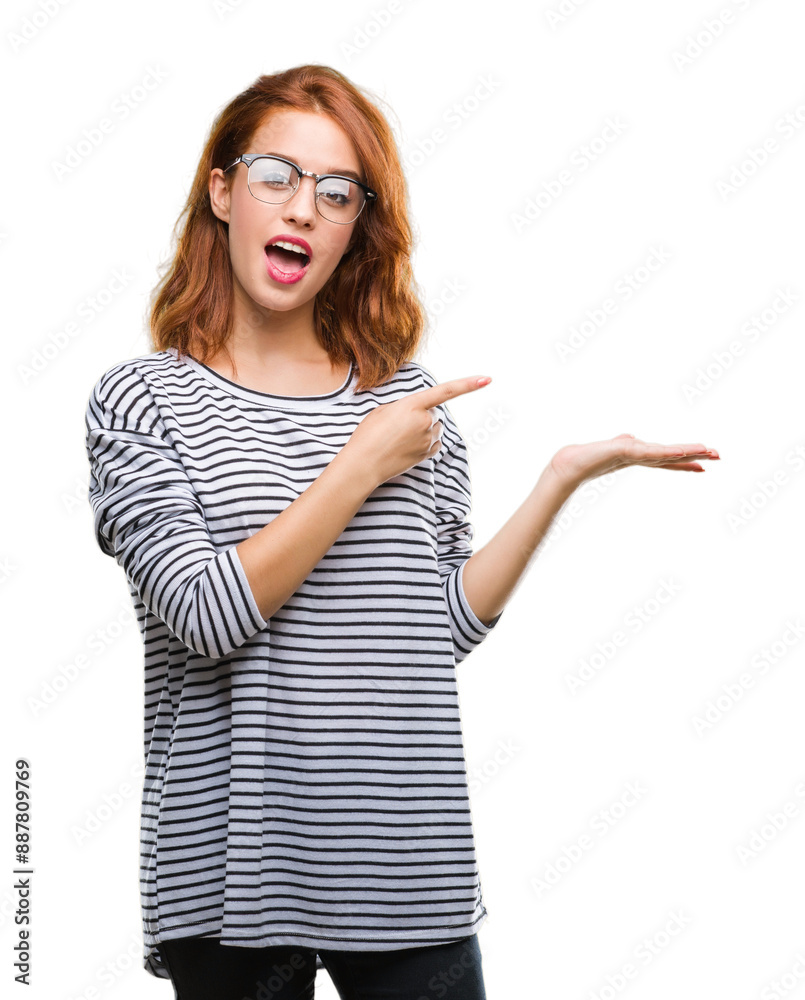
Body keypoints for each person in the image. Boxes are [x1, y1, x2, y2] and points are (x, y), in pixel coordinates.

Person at [83, 64, 719, 1000]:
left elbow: (432, 631)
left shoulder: (408, 409)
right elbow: (203, 616)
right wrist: (357, 466)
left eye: (335, 192)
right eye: (276, 176)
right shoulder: (143, 399)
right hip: (233, 885)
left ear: (354, 229)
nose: (302, 207)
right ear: (221, 192)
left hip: (407, 870)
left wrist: (559, 479)